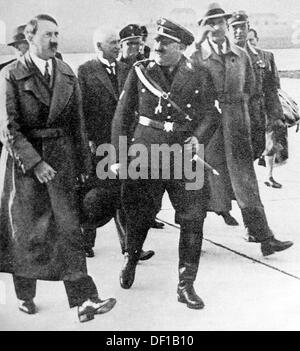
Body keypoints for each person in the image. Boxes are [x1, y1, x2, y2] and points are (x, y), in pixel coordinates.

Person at [0, 14, 116, 323]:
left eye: (57, 35)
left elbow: (77, 124)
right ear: (31, 36)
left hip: (62, 163)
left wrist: (83, 166)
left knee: (69, 233)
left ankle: (85, 301)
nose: (55, 40)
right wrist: (35, 164)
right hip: (25, 168)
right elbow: (8, 128)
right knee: (27, 235)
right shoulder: (11, 74)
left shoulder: (65, 72)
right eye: (49, 34)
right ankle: (25, 294)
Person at [112, 18, 220, 309]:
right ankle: (131, 258)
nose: (156, 46)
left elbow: (211, 114)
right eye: (157, 40)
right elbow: (122, 117)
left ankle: (186, 284)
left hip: (185, 155)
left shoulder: (199, 73)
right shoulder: (141, 71)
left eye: (164, 42)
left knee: (194, 217)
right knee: (139, 214)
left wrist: (199, 138)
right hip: (145, 153)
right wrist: (119, 158)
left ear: (181, 47)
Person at [191, 4, 293, 255]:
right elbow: (187, 77)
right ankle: (193, 238)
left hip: (238, 124)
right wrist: (196, 45)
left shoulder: (240, 54)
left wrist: (257, 124)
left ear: (226, 25)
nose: (216, 28)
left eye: (219, 22)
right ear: (204, 28)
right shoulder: (197, 55)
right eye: (210, 23)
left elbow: (253, 90)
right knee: (204, 183)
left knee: (246, 182)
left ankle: (264, 237)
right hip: (210, 128)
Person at [78, 25, 155, 260]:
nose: (117, 45)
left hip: (124, 143)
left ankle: (130, 247)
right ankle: (85, 241)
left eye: (117, 42)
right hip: (99, 142)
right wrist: (87, 140)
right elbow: (81, 110)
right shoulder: (86, 70)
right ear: (99, 46)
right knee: (97, 193)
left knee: (125, 194)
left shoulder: (127, 70)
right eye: (112, 42)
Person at [229, 13, 286, 189]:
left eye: (242, 27)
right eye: (234, 27)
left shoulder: (263, 57)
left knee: (257, 149)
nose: (239, 31)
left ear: (248, 28)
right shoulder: (223, 56)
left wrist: (276, 117)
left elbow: (271, 89)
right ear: (228, 30)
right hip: (233, 117)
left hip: (258, 116)